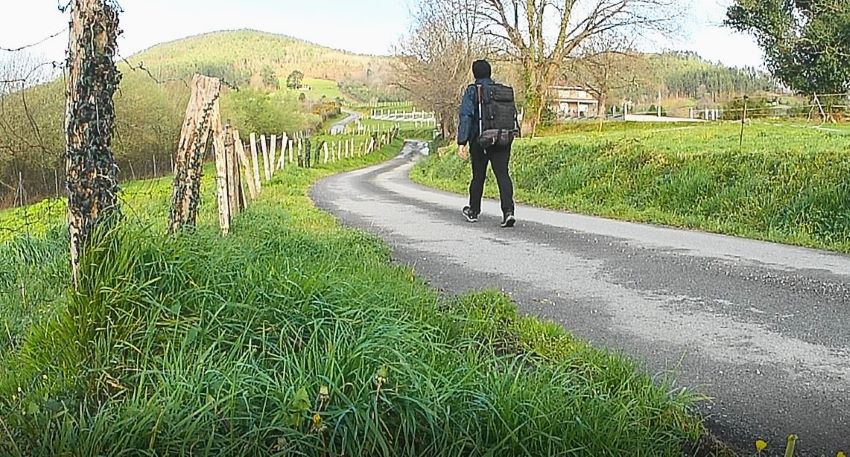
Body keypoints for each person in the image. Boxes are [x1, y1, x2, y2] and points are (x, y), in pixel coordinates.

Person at [457, 59, 516, 228]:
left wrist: (462, 142)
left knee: (478, 176)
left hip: (481, 140)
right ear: (489, 72)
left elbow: (466, 116)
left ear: (474, 73)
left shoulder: (472, 91)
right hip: (503, 138)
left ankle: (473, 211)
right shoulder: (500, 91)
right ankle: (508, 212)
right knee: (503, 175)